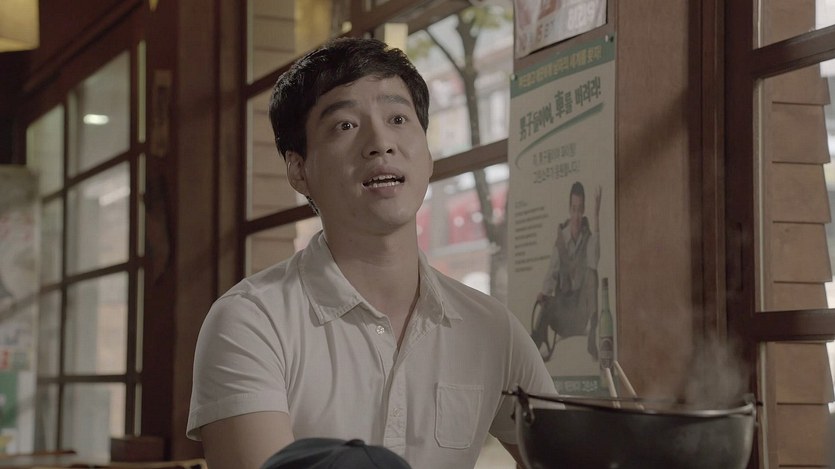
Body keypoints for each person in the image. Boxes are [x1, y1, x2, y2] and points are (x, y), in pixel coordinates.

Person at [186, 37, 555, 469]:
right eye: (345, 125)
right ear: (299, 170)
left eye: (398, 118)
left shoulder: (492, 329)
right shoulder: (250, 322)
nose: (381, 142)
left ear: (428, 153)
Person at [531, 181, 601, 361]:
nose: (577, 215)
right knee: (546, 302)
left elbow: (594, 261)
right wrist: (544, 293)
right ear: (569, 209)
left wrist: (596, 217)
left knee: (592, 275)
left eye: (580, 210)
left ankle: (592, 338)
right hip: (562, 314)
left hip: (580, 313)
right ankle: (534, 348)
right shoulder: (561, 239)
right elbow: (552, 272)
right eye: (574, 209)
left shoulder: (588, 238)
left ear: (583, 210)